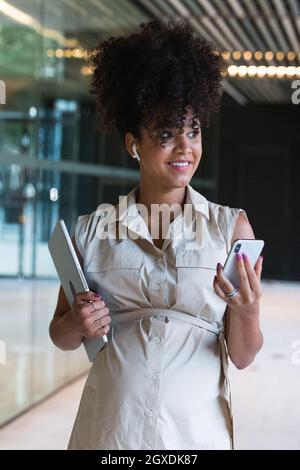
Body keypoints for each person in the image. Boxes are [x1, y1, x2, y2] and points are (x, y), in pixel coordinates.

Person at [49, 20, 264, 450]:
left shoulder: (229, 228)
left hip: (195, 436)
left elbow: (242, 356)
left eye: (193, 130)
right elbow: (61, 335)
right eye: (166, 134)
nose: (185, 148)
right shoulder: (93, 231)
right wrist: (76, 322)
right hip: (111, 435)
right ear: (133, 143)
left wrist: (247, 310)